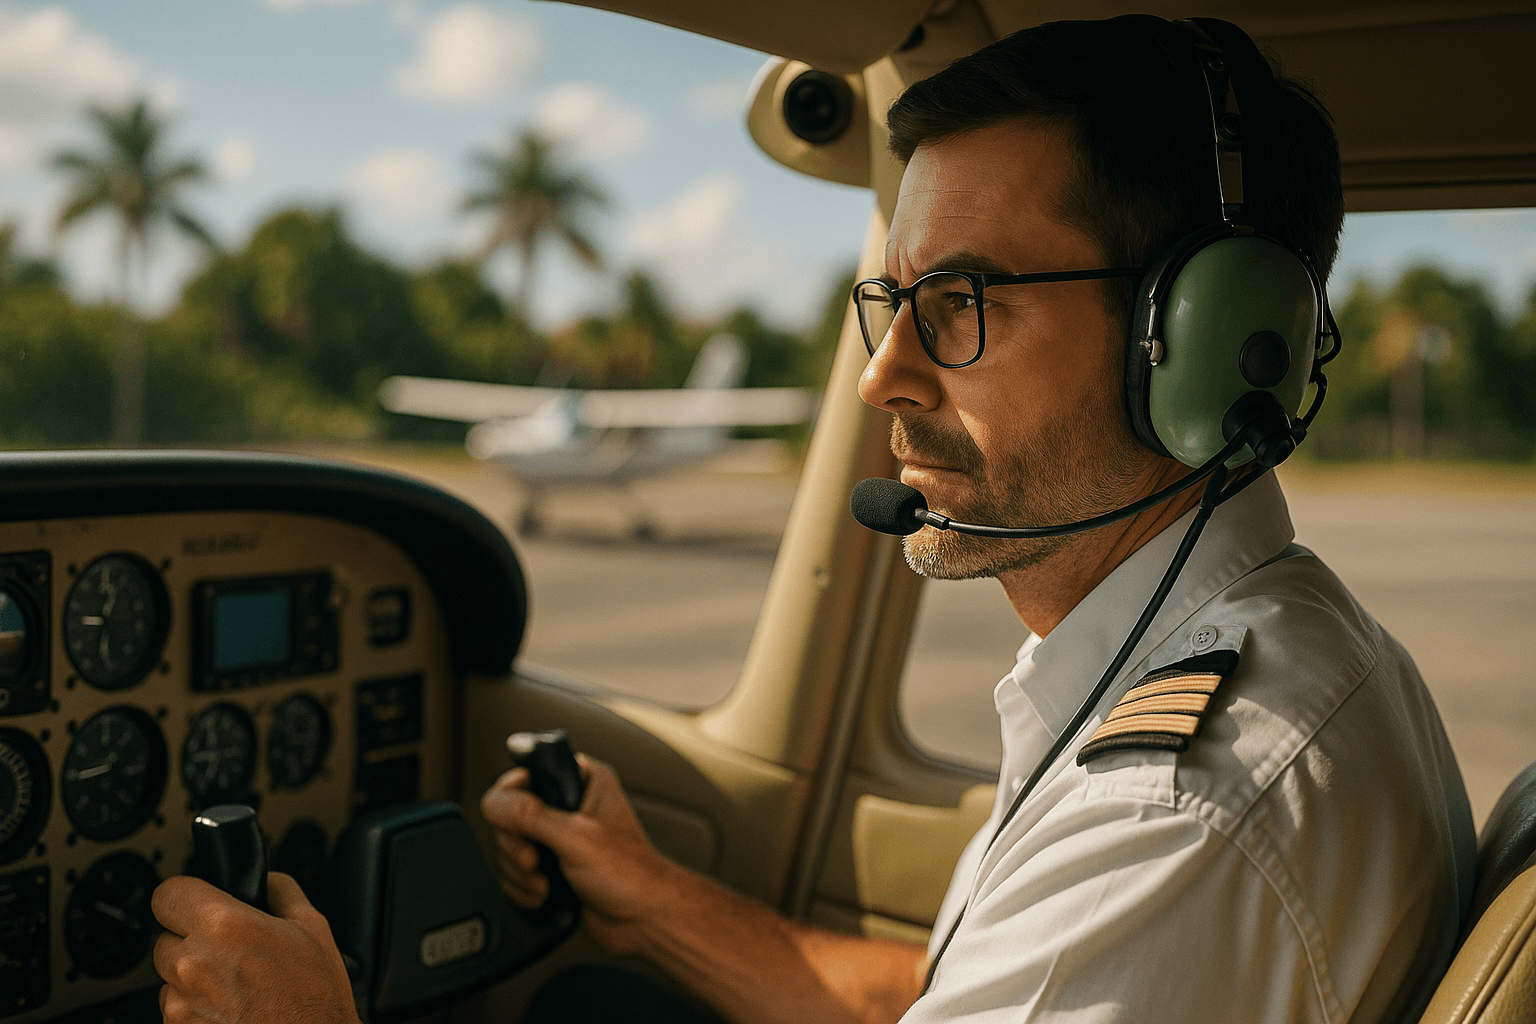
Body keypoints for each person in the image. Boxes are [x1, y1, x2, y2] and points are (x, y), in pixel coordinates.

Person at [151, 16, 1476, 1024]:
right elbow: (956, 990)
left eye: (958, 302)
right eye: (887, 302)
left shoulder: (1184, 814)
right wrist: (653, 900)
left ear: (1199, 349)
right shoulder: (1247, 656)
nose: (880, 377)